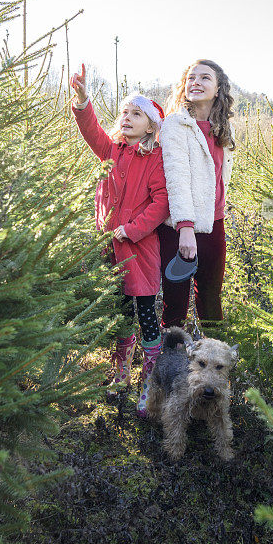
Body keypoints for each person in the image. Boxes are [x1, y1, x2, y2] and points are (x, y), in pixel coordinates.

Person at [70, 64, 169, 416]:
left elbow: (161, 203)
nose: (127, 117)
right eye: (125, 111)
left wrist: (132, 229)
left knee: (144, 314)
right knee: (120, 312)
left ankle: (151, 381)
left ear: (151, 125)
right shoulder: (111, 150)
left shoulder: (154, 157)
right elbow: (91, 130)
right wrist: (83, 101)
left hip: (139, 251)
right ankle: (120, 371)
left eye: (136, 113)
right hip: (109, 249)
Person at [159, 59, 235, 334]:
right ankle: (170, 367)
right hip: (179, 228)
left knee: (211, 300)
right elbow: (176, 179)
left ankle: (214, 368)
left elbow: (219, 179)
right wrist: (186, 229)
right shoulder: (175, 126)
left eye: (205, 78)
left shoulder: (224, 129)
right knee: (175, 304)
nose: (196, 83)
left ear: (218, 89)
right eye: (191, 78)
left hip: (214, 224)